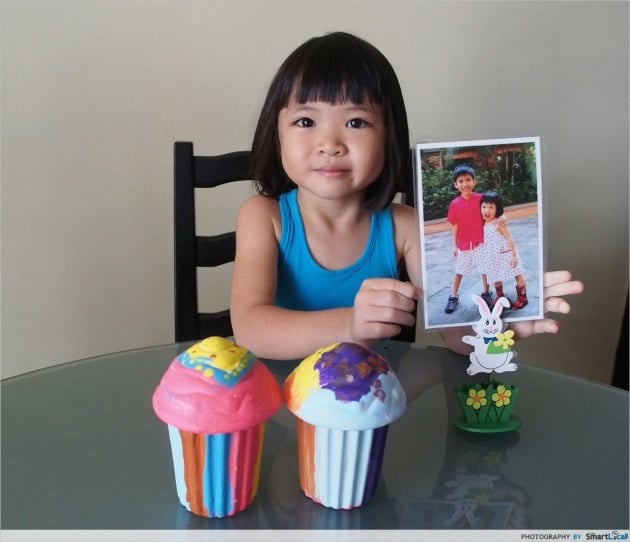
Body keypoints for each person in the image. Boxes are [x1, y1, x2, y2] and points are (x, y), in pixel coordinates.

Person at [230, 31, 583, 361]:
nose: (330, 144)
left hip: (372, 399)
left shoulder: (404, 226)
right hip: (280, 398)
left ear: (389, 138)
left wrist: (504, 326)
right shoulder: (264, 216)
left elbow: (458, 336)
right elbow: (250, 329)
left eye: (356, 122)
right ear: (276, 134)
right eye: (306, 121)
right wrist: (350, 324)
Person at [444, 165, 492, 314]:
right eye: (461, 181)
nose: (465, 184)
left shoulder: (482, 199)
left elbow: (489, 219)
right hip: (464, 245)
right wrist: (454, 245)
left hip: (481, 242)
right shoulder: (455, 204)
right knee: (459, 271)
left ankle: (486, 293)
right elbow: (455, 226)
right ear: (455, 184)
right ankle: (453, 296)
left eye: (468, 180)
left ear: (474, 181)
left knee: (485, 269)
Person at [480, 191, 528, 309]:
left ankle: (522, 297)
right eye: (484, 207)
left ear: (498, 208)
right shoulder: (482, 222)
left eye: (491, 207)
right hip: (492, 257)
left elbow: (510, 238)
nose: (487, 210)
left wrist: (514, 256)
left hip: (506, 254)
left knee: (517, 273)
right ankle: (499, 296)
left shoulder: (499, 223)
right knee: (494, 276)